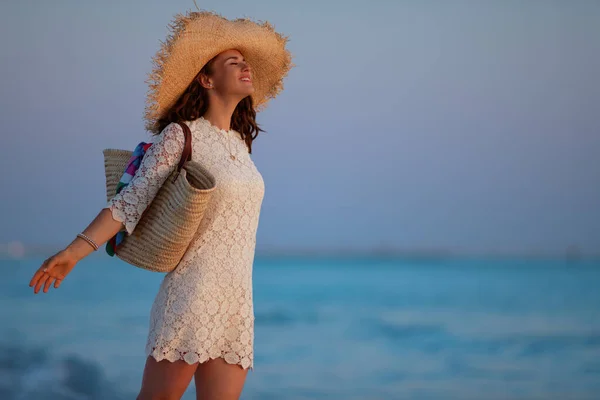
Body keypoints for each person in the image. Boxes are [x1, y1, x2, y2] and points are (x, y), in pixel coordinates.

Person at [28, 9, 294, 400]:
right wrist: (74, 251)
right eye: (232, 62)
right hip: (192, 292)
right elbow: (129, 203)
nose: (244, 67)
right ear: (206, 79)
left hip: (237, 302)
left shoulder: (241, 145)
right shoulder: (181, 135)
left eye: (245, 62)